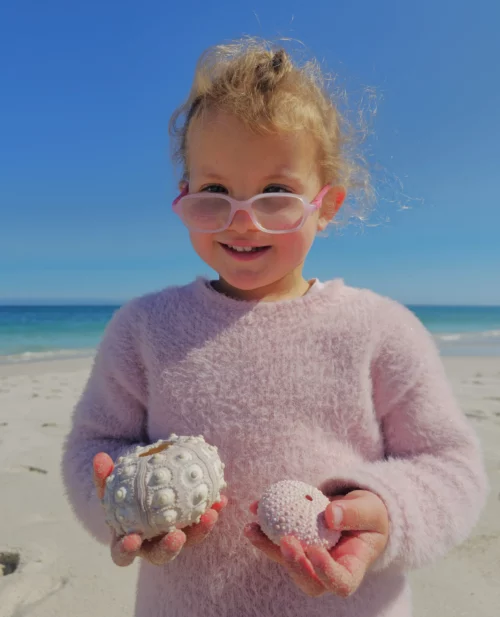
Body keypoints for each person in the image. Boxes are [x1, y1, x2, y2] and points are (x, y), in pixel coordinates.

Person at [62, 38, 488, 617]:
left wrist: (387, 512)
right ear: (184, 196)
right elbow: (94, 444)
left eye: (277, 194)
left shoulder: (380, 329)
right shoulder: (144, 328)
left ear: (328, 203)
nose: (242, 219)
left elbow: (450, 466)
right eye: (215, 192)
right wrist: (117, 504)